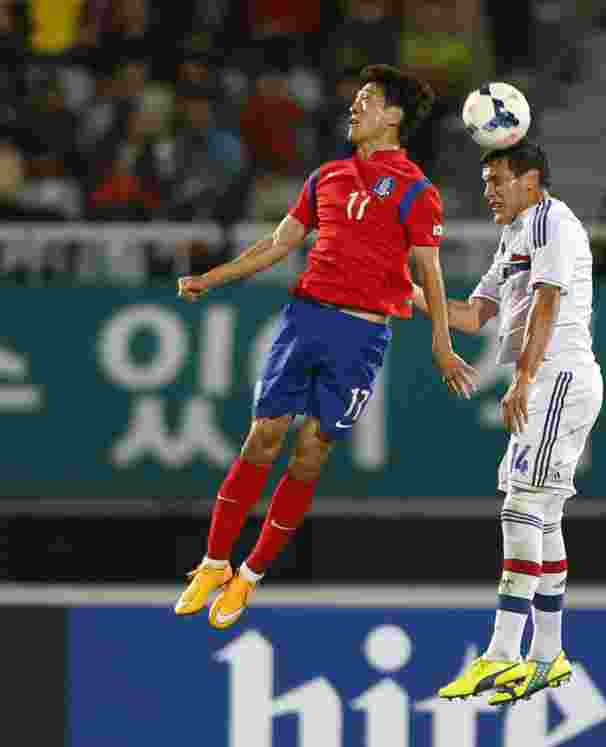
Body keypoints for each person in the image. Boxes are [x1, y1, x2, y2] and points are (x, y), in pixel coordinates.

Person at [173, 64, 477, 629]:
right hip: (305, 319)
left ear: (394, 116)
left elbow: (428, 272)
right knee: (264, 435)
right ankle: (214, 562)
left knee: (311, 451)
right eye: (355, 97)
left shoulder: (417, 191)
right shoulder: (327, 176)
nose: (354, 107)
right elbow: (276, 243)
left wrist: (441, 341)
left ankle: (250, 576)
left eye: (367, 100)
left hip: (362, 337)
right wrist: (211, 278)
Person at [411, 141, 602, 705]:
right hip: (547, 382)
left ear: (531, 179)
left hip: (557, 378)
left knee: (521, 506)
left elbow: (548, 302)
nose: (488, 190)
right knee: (540, 514)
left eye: (497, 180)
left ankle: (501, 652)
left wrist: (522, 379)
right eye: (486, 180)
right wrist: (411, 292)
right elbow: (473, 315)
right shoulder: (514, 235)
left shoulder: (551, 222)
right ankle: (546, 657)